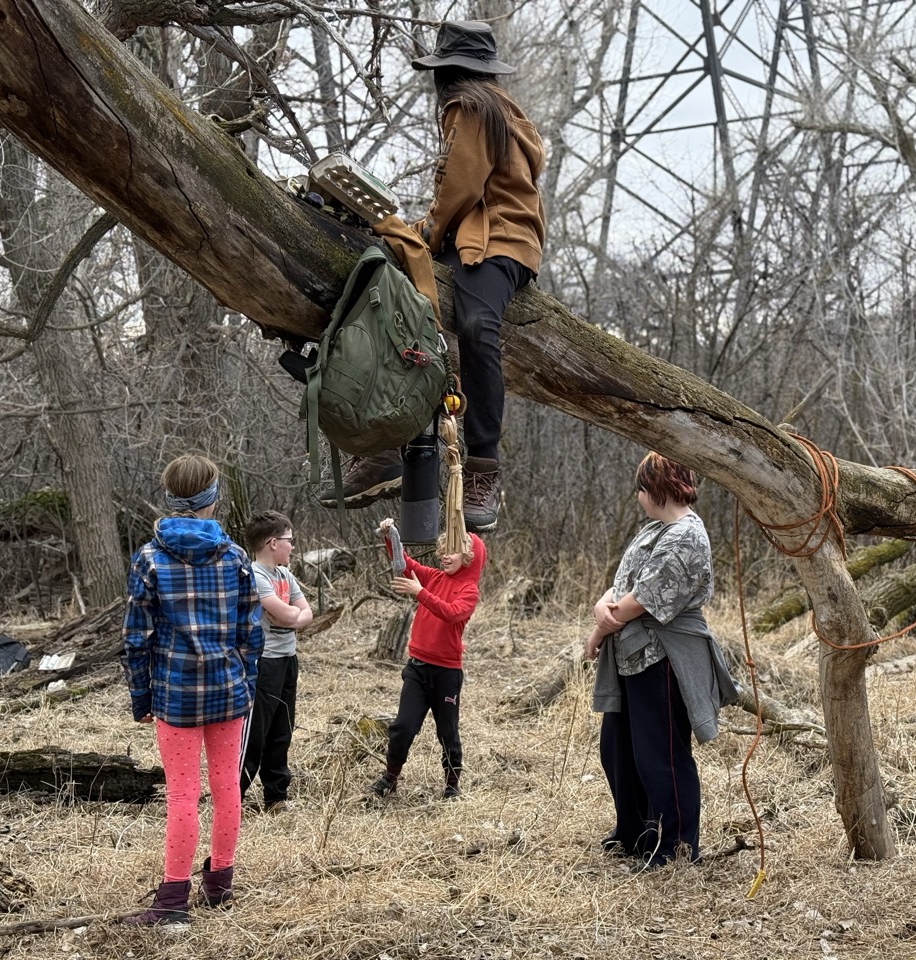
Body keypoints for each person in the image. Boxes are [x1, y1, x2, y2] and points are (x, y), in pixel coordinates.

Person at [323, 20, 545, 533]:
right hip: (479, 237)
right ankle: (388, 447)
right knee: (403, 307)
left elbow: (458, 190)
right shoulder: (495, 107)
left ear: (446, 73)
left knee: (476, 326)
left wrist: (426, 232)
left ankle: (483, 467)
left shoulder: (469, 107)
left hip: (499, 238)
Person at [121, 454, 263, 924]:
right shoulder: (235, 556)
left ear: (170, 498)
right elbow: (251, 634)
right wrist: (246, 685)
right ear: (212, 498)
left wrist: (141, 697)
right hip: (227, 690)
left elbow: (136, 638)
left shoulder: (149, 557)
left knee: (183, 795)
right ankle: (220, 883)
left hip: (175, 694)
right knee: (227, 788)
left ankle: (172, 901)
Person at [583, 452, 737, 871]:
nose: (638, 497)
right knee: (619, 750)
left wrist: (598, 630)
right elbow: (623, 584)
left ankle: (675, 847)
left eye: (640, 489)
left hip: (663, 657)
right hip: (633, 655)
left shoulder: (687, 535)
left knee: (661, 755)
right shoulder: (655, 529)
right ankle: (635, 833)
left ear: (656, 489)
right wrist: (600, 604)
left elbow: (642, 599)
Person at [370, 518, 487, 798]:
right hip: (417, 669)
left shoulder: (469, 591)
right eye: (443, 550)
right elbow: (405, 565)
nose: (445, 556)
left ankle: (452, 786)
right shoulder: (434, 577)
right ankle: (390, 778)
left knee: (447, 732)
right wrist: (390, 536)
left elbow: (451, 612)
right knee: (403, 726)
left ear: (469, 558)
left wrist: (420, 593)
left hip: (446, 674)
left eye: (453, 551)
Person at [240, 511, 312, 813]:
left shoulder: (285, 575)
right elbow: (287, 613)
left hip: (287, 659)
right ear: (272, 543)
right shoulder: (254, 576)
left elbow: (305, 613)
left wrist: (293, 616)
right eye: (289, 540)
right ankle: (234, 795)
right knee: (256, 732)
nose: (292, 546)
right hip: (264, 663)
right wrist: (292, 616)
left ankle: (275, 796)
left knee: (283, 728)